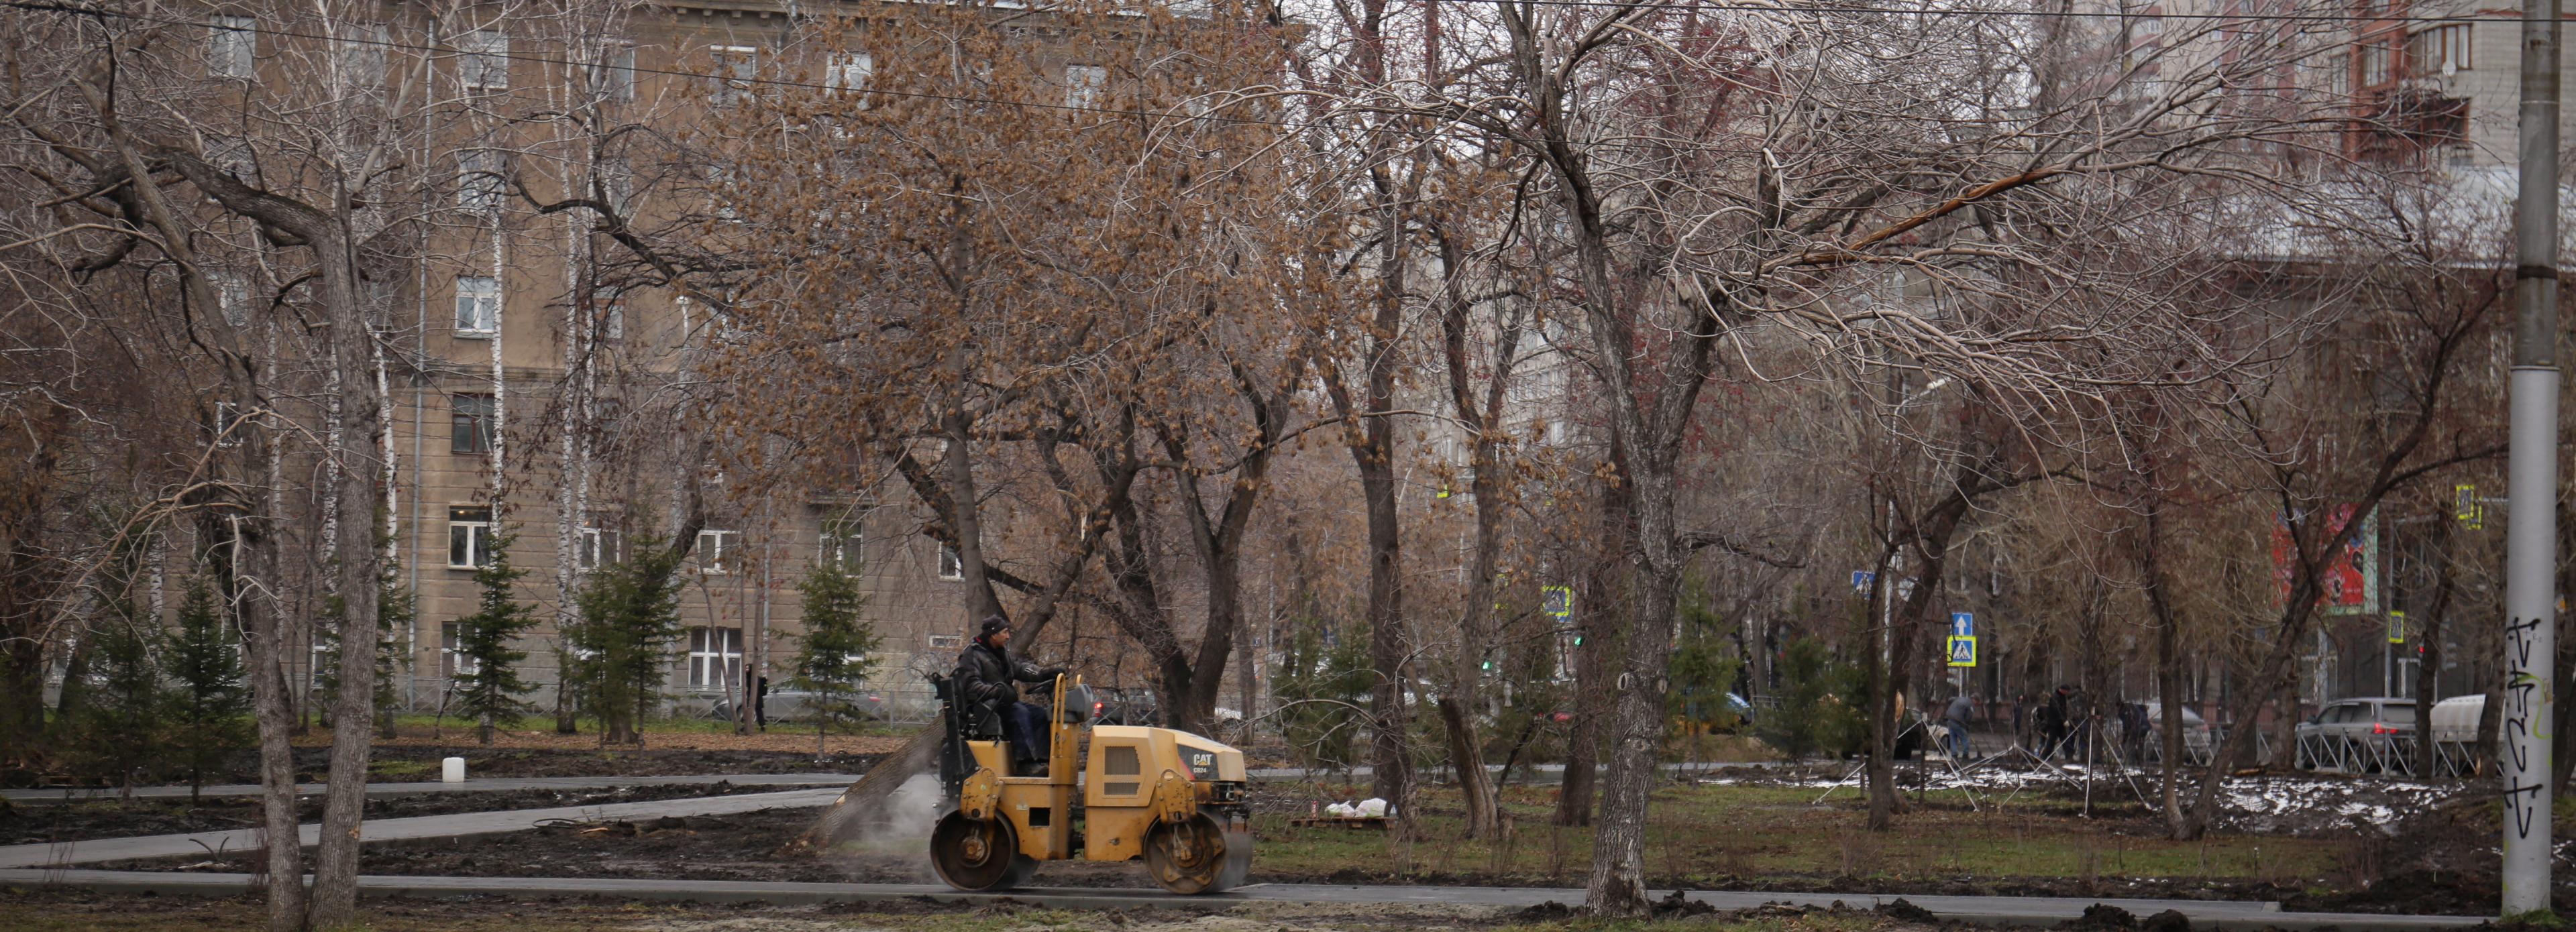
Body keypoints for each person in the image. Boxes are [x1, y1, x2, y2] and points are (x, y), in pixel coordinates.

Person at [953, 616, 1067, 776]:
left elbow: (1018, 668)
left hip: (1004, 702)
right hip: (987, 706)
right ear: (994, 635)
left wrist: (1043, 673)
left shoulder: (1001, 652)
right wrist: (997, 691)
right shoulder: (972, 655)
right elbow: (971, 685)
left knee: (1040, 714)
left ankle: (1042, 761)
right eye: (1005, 632)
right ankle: (1025, 764)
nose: (1008, 637)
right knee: (1020, 713)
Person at [1942, 693, 1976, 760]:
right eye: (1977, 702)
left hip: (1950, 720)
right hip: (1958, 722)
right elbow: (1968, 718)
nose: (1976, 704)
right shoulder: (1970, 704)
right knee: (1965, 738)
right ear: (1974, 699)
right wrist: (1967, 727)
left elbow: (1950, 701)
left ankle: (1954, 755)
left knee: (1953, 738)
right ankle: (1965, 755)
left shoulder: (1960, 699)